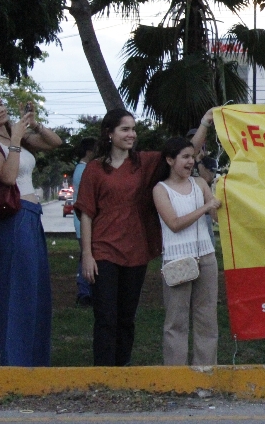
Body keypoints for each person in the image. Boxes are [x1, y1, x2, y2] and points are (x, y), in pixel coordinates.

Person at [0, 90, 62, 366]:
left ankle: (33, 359)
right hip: (13, 217)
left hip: (32, 216)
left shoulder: (13, 133)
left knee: (35, 289)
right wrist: (17, 140)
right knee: (14, 290)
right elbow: (8, 176)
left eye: (1, 105)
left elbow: (55, 143)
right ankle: (8, 359)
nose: (0, 111)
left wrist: (34, 124)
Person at [76, 109, 165, 366]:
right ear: (109, 133)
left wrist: (204, 124)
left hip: (136, 251)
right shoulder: (94, 169)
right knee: (105, 316)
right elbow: (86, 214)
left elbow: (180, 153)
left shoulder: (143, 163)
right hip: (103, 251)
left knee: (126, 317)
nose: (131, 134)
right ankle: (103, 373)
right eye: (125, 129)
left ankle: (122, 371)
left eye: (133, 129)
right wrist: (87, 255)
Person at [153, 137, 222, 365]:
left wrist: (222, 194)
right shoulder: (160, 189)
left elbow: (216, 214)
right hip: (177, 259)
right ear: (170, 160)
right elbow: (174, 223)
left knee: (207, 318)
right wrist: (205, 207)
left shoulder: (200, 184)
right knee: (176, 321)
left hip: (206, 256)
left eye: (192, 157)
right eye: (185, 157)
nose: (190, 162)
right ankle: (176, 377)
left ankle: (204, 370)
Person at [72, 138, 97, 306]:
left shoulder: (82, 169)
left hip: (82, 222)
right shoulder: (83, 170)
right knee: (86, 256)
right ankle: (84, 291)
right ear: (89, 151)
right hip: (83, 222)